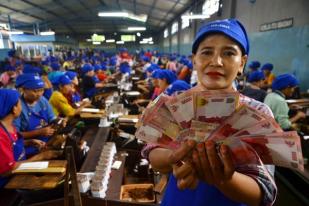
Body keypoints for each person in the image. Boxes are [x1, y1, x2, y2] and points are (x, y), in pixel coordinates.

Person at [143, 19, 277, 206]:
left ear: (242, 63)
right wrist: (175, 157)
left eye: (229, 53)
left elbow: (263, 193)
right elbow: (152, 152)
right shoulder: (175, 103)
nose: (216, 61)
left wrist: (220, 177)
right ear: (194, 60)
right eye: (206, 52)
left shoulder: (257, 113)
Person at [0, 89, 60, 188]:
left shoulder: (9, 126)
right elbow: (7, 171)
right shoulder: (1, 135)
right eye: (19, 104)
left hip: (19, 175)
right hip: (7, 185)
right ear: (14, 109)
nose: (21, 107)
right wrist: (41, 157)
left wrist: (29, 142)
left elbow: (11, 145)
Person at [14, 74, 56, 157]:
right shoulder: (17, 106)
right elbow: (15, 135)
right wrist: (39, 132)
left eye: (42, 90)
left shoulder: (42, 100)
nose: (39, 94)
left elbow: (52, 118)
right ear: (23, 89)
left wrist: (58, 123)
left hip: (46, 143)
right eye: (35, 91)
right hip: (28, 148)